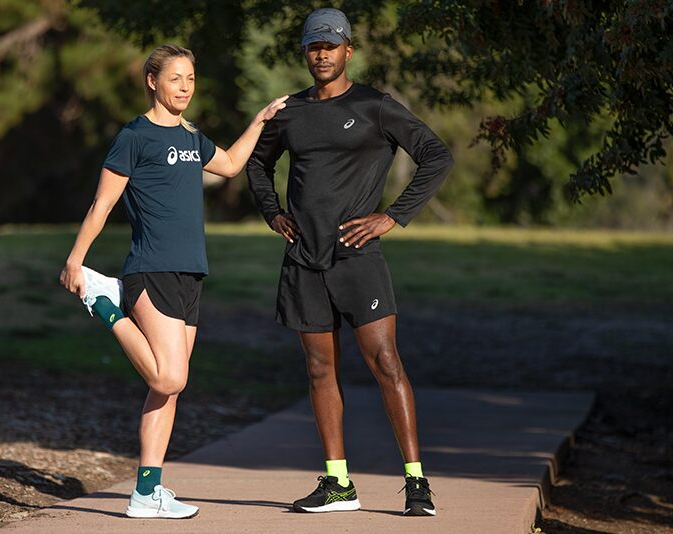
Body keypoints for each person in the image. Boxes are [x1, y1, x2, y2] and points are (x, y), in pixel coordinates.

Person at [59, 44, 286, 520]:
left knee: (167, 390)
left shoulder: (190, 135)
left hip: (190, 272)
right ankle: (106, 303)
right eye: (176, 78)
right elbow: (102, 204)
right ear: (152, 81)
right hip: (151, 268)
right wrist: (77, 261)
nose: (185, 87)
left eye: (191, 79)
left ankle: (147, 492)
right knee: (168, 375)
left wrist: (260, 121)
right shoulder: (133, 137)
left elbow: (229, 166)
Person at [246, 8, 453, 516]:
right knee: (320, 369)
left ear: (347, 50)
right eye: (313, 47)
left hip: (359, 258)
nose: (321, 54)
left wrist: (393, 217)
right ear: (305, 52)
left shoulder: (376, 107)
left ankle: (417, 483)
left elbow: (436, 155)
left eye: (330, 46)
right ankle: (338, 483)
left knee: (386, 363)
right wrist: (273, 212)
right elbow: (256, 161)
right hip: (303, 259)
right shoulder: (290, 111)